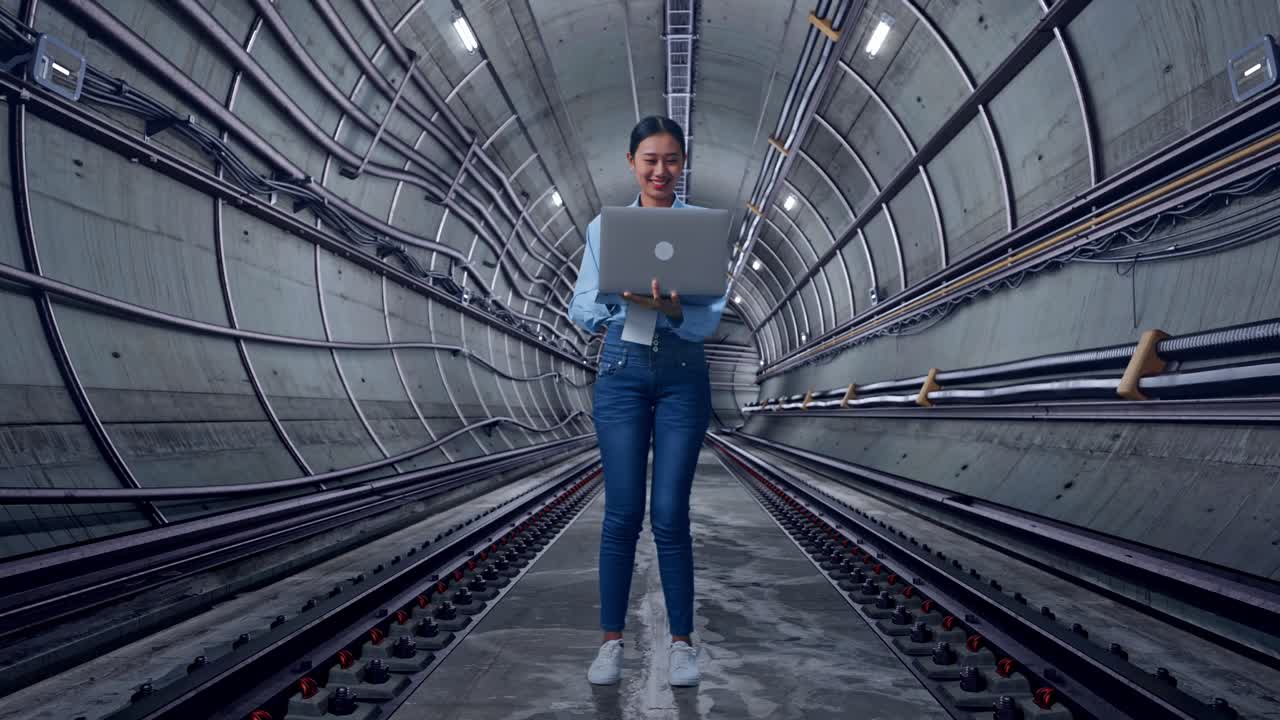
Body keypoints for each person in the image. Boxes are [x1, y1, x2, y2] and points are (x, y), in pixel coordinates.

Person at [567, 116, 726, 688]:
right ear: (631, 162)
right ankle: (611, 644)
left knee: (669, 514)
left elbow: (711, 315)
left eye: (672, 160)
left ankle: (682, 645)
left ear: (683, 163)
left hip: (683, 374)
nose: (662, 171)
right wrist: (622, 300)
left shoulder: (701, 228)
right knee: (622, 512)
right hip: (622, 370)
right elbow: (580, 305)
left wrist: (675, 311)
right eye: (651, 159)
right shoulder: (604, 228)